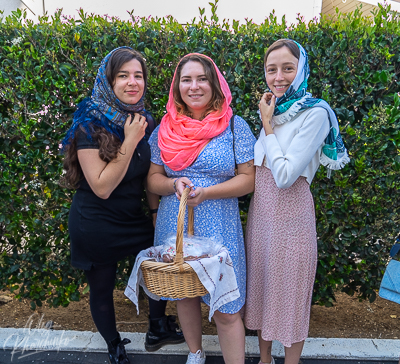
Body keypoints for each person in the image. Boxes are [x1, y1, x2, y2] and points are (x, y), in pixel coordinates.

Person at [61, 47, 184, 364]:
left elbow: (150, 174)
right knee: (102, 288)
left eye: (138, 75)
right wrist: (129, 141)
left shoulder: (144, 120)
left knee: (157, 265)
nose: (133, 82)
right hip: (95, 223)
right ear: (108, 80)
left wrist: (156, 212)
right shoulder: (88, 126)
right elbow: (101, 186)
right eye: (123, 76)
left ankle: (156, 328)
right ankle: (114, 344)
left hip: (133, 218)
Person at [244, 39, 350, 364]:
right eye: (271, 69)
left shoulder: (316, 113)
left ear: (301, 68)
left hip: (292, 221)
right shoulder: (274, 108)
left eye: (288, 68)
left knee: (290, 300)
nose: (279, 77)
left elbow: (286, 175)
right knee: (262, 292)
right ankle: (264, 360)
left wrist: (266, 124)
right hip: (261, 219)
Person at [146, 53, 256, 364]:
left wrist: (206, 193)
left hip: (220, 224)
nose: (194, 86)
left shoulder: (235, 125)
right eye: (186, 80)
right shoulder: (164, 128)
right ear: (176, 87)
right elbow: (153, 179)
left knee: (227, 307)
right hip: (176, 222)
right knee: (184, 293)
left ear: (215, 83)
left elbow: (249, 180)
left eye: (202, 79)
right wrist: (172, 185)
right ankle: (195, 354)